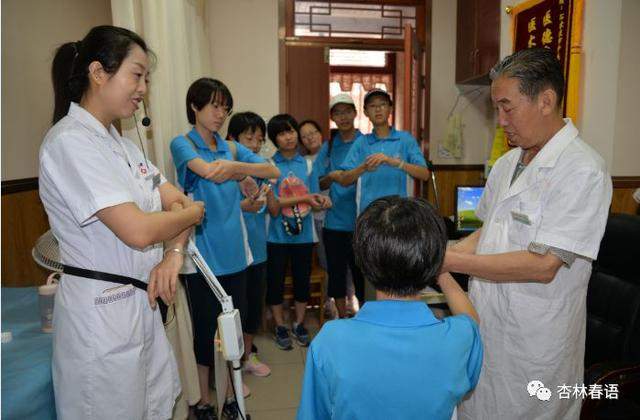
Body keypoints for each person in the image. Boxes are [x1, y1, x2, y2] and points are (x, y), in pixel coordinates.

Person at [40, 25, 205, 419]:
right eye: (137, 74)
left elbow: (175, 200)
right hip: (100, 317)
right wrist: (192, 215)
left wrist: (174, 254)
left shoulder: (125, 146)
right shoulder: (70, 143)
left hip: (139, 308)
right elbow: (140, 230)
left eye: (146, 78)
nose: (143, 88)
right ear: (99, 72)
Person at [444, 48, 613, 420]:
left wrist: (448, 259)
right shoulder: (507, 163)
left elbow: (544, 265)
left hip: (536, 341)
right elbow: (488, 233)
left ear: (546, 101)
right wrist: (446, 250)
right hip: (487, 319)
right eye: (496, 109)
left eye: (508, 107)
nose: (500, 120)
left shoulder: (582, 170)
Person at [297, 196, 483, 420]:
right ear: (433, 262)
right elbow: (471, 320)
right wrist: (439, 270)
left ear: (364, 262)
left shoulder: (330, 340)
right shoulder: (459, 338)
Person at [170, 79, 280, 420]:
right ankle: (203, 402)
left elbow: (272, 169)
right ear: (195, 107)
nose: (220, 114)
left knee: (233, 334)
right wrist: (238, 172)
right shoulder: (182, 143)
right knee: (205, 336)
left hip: (236, 254)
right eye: (214, 106)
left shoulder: (230, 149)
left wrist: (237, 168)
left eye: (224, 108)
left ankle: (232, 399)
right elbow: (208, 173)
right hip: (202, 256)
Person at [265, 114, 332, 350]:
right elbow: (272, 209)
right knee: (275, 282)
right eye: (282, 133)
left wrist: (322, 202)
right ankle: (281, 326)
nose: (289, 136)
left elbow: (314, 199)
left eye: (291, 131)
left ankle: (299, 323)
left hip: (304, 235)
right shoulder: (269, 166)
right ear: (275, 139)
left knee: (302, 281)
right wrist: (302, 198)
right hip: (276, 236)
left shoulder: (309, 164)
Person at [333, 89, 431, 215]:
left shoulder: (405, 139)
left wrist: (397, 163)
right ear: (366, 112)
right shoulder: (361, 142)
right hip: (369, 214)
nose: (378, 109)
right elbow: (344, 180)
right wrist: (363, 167)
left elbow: (425, 174)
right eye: (372, 106)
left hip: (401, 214)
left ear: (390, 109)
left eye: (382, 104)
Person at [226, 111, 271, 377]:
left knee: (254, 305)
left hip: (258, 249)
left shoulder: (260, 169)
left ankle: (248, 357)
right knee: (235, 309)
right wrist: (245, 204)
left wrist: (269, 195)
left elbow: (269, 208)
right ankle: (233, 365)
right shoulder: (222, 170)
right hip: (234, 254)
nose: (254, 144)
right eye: (249, 138)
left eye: (259, 139)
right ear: (232, 139)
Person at [314, 94, 365, 318]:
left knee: (363, 273)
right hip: (334, 221)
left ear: (355, 113)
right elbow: (317, 180)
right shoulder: (330, 145)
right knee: (336, 273)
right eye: (338, 113)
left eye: (347, 111)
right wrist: (333, 178)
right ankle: (343, 318)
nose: (343, 117)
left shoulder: (366, 142)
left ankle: (365, 316)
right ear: (332, 117)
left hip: (362, 222)